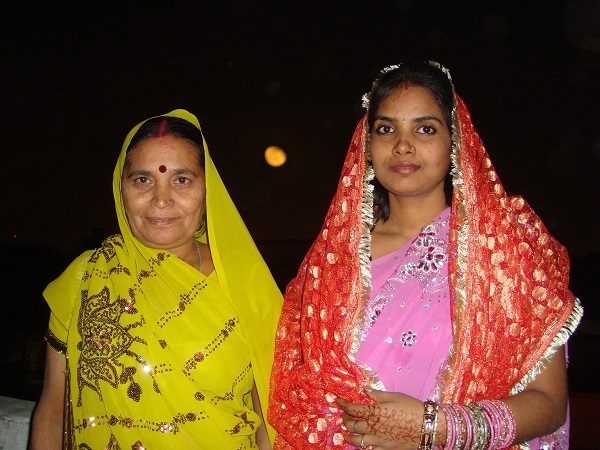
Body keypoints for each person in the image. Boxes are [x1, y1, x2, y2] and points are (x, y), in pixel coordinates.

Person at [268, 61, 582, 449]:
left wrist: (435, 428)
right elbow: (293, 396)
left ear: (457, 140)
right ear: (366, 145)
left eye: (425, 128)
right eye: (386, 129)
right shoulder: (331, 262)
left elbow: (548, 404)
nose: (403, 144)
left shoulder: (505, 248)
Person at [30, 109, 283, 449]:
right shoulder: (85, 277)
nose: (161, 199)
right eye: (143, 179)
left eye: (181, 180)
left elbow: (270, 414)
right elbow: (52, 407)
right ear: (121, 188)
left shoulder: (245, 281)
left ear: (208, 191)